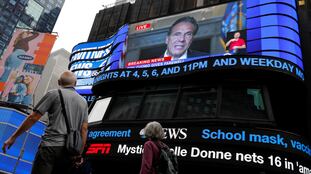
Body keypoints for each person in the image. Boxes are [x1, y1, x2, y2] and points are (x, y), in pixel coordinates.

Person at [2, 71, 89, 174]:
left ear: (59, 82)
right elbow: (84, 129)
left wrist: (13, 137)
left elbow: (33, 118)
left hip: (49, 148)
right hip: (69, 152)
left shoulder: (53, 94)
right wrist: (79, 153)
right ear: (75, 83)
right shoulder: (83, 102)